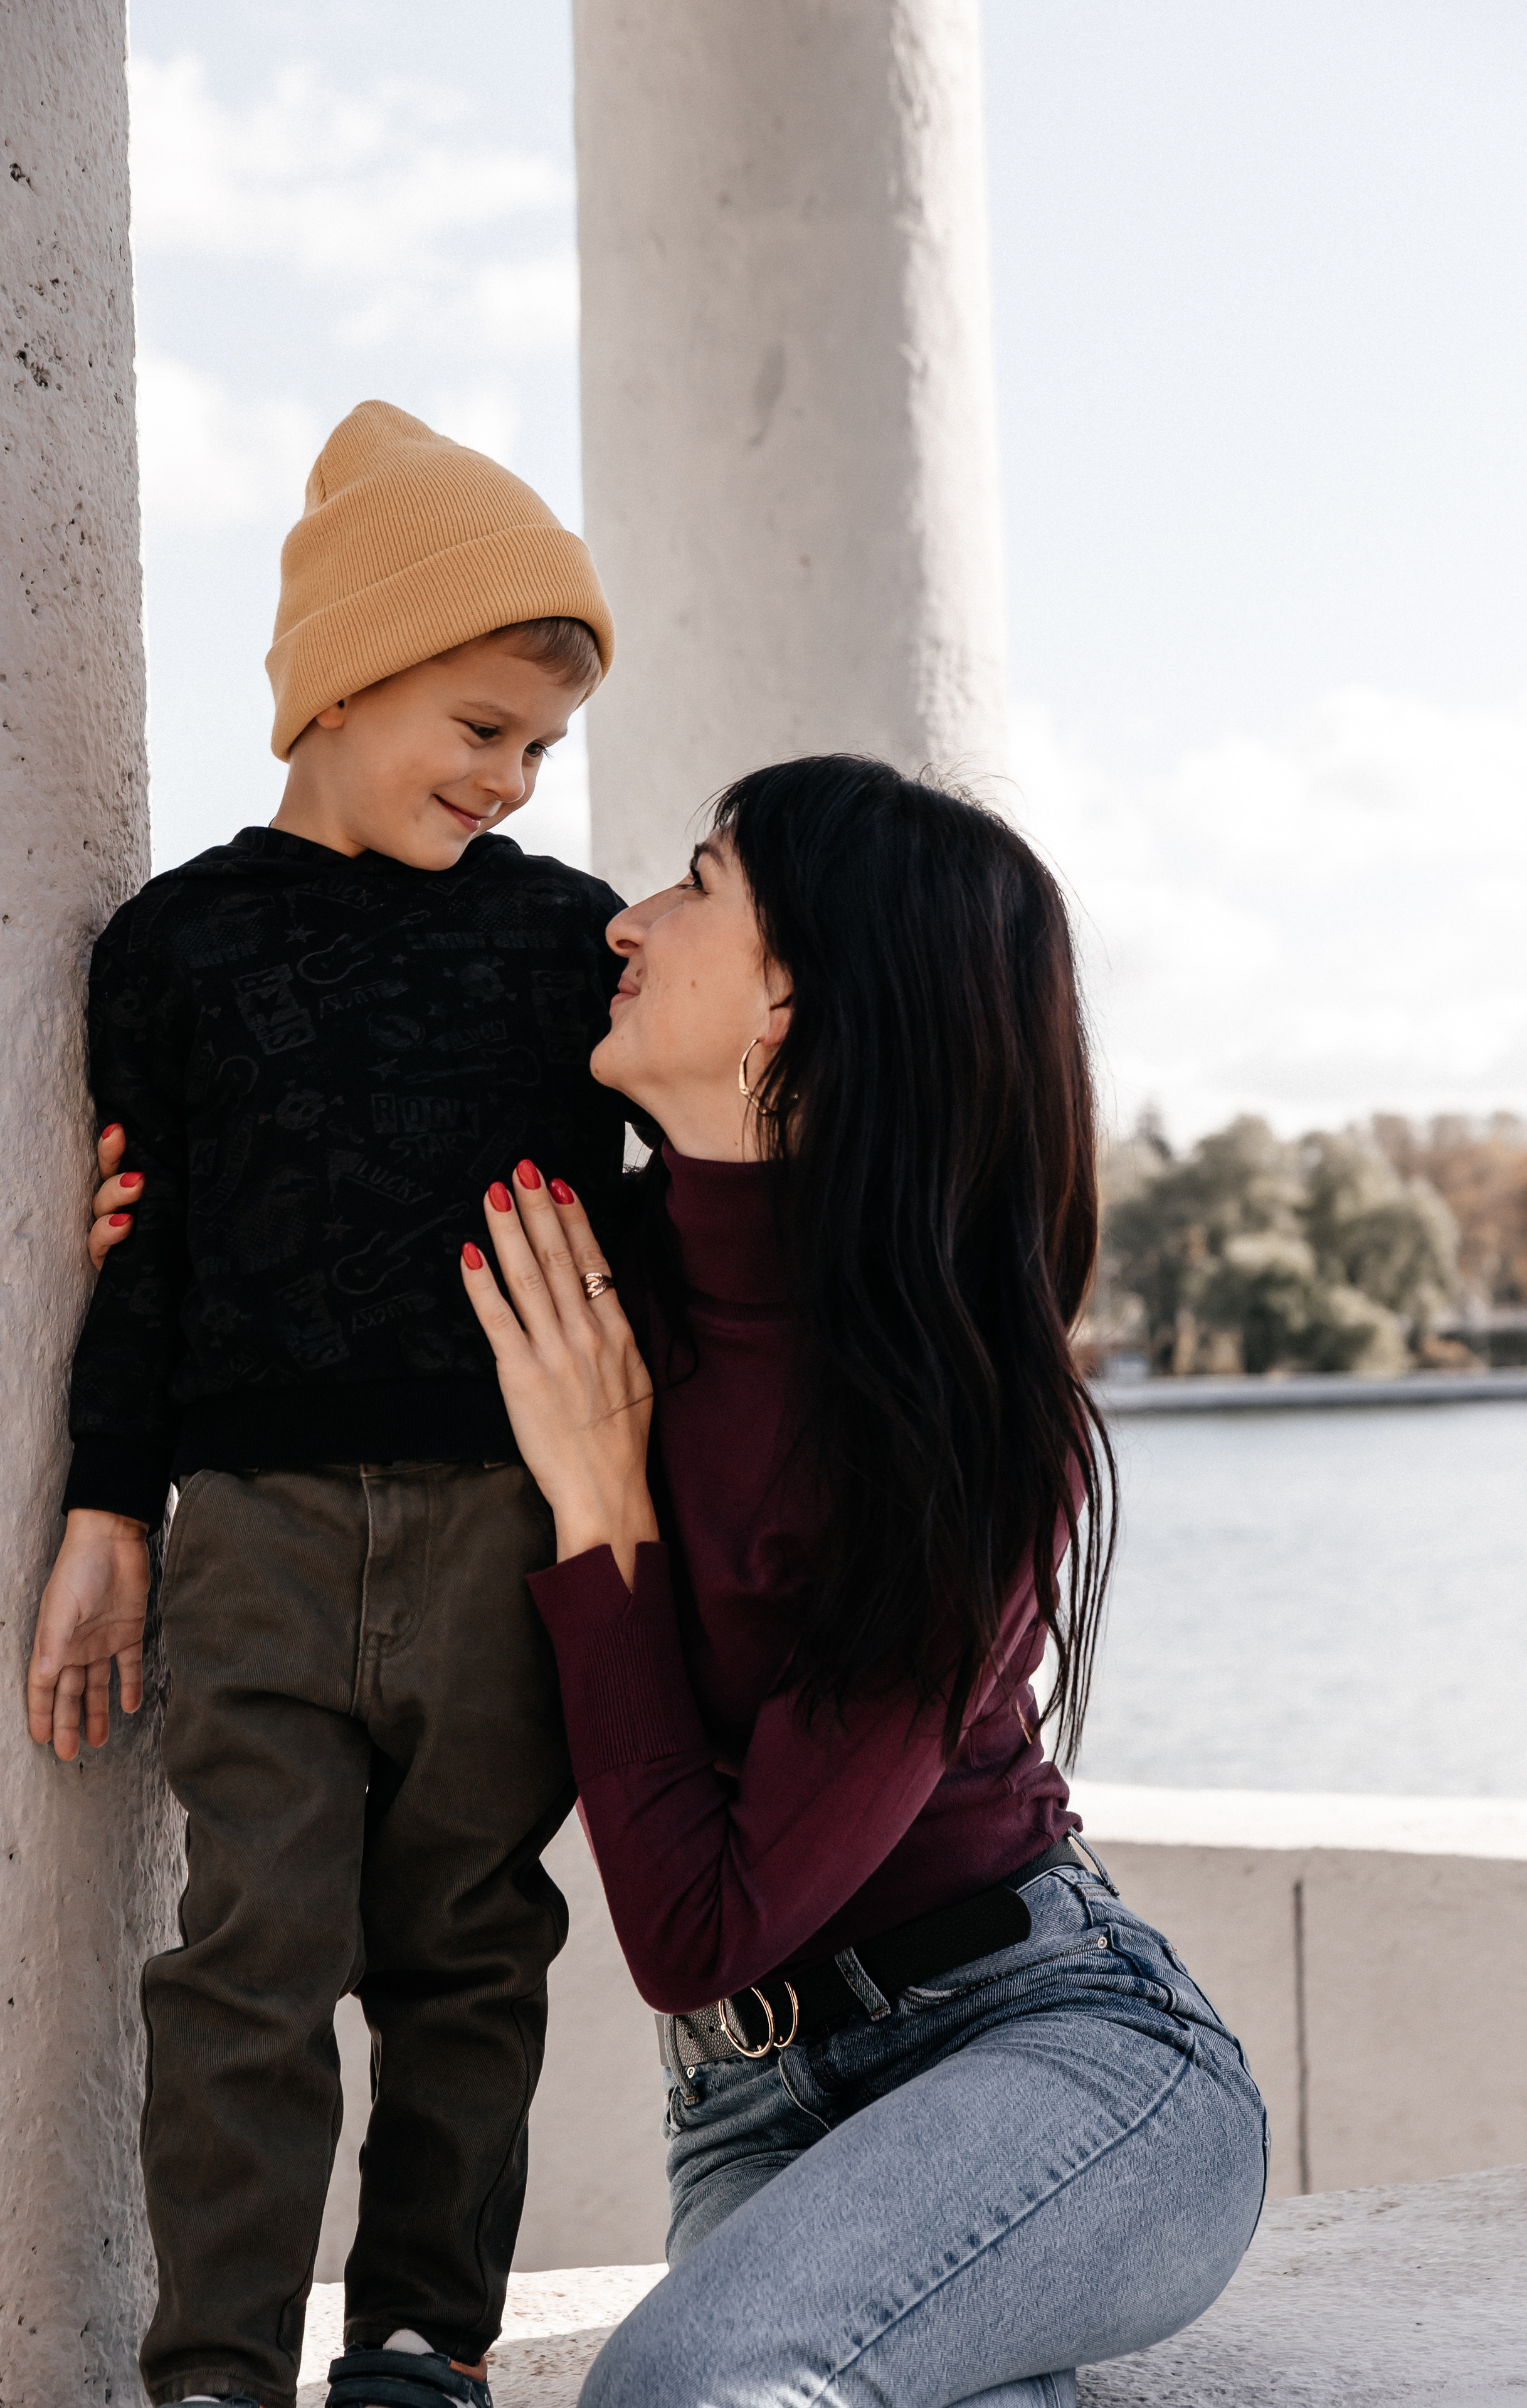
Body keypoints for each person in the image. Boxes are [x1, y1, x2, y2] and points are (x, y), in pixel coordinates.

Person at [453, 756, 1271, 2405]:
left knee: (681, 2391)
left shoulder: (962, 1424)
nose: (628, 918)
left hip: (1062, 2052)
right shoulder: (589, 1271)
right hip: (755, 2104)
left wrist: (603, 1499)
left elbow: (699, 1928)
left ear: (787, 1004)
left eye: (693, 882)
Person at [28, 402, 626, 2408]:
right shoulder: (178, 945)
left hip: (496, 1539)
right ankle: (212, 2371)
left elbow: (666, 1204)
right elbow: (150, 1251)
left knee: (470, 1949)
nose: (509, 778)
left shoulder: (568, 943)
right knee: (247, 1968)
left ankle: (417, 2347)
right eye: (476, 724)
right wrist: (110, 1522)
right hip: (259, 1536)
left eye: (538, 748)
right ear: (342, 677)